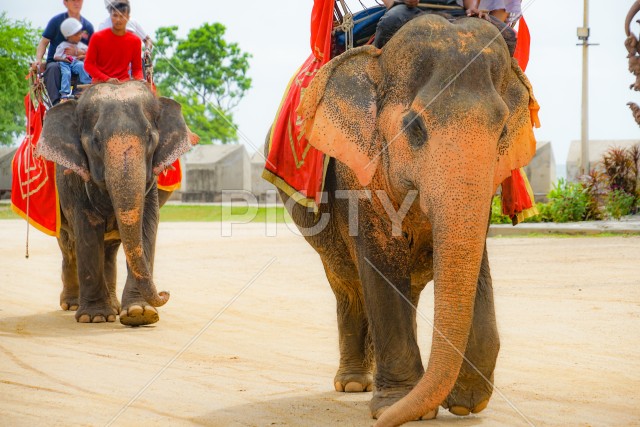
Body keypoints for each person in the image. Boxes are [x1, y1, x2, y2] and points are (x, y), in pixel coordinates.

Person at [31, 0, 94, 105]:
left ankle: (78, 101)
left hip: (78, 62)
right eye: (73, 0)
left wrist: (79, 53)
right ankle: (57, 105)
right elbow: (43, 43)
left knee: (85, 67)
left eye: (79, 0)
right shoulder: (56, 22)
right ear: (65, 3)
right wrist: (38, 60)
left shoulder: (87, 26)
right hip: (57, 63)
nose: (76, 3)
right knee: (52, 68)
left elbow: (93, 52)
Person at [374, 0, 482, 48]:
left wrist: (472, 8)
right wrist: (393, 2)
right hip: (409, 8)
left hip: (451, 9)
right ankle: (375, 60)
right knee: (391, 20)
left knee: (495, 26)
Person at [84, 0, 143, 83]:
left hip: (124, 83)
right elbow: (88, 64)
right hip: (100, 83)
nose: (118, 20)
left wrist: (139, 79)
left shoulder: (135, 41)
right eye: (115, 15)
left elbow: (137, 69)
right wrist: (106, 79)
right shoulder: (97, 37)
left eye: (122, 16)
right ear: (110, 16)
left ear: (128, 18)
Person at [54, 18, 92, 100]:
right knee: (66, 73)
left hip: (75, 62)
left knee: (82, 65)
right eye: (76, 34)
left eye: (80, 34)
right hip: (65, 63)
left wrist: (82, 56)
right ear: (68, 36)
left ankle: (86, 84)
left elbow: (91, 52)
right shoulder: (63, 45)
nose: (79, 36)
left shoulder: (80, 45)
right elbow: (56, 57)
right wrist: (64, 59)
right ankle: (64, 93)